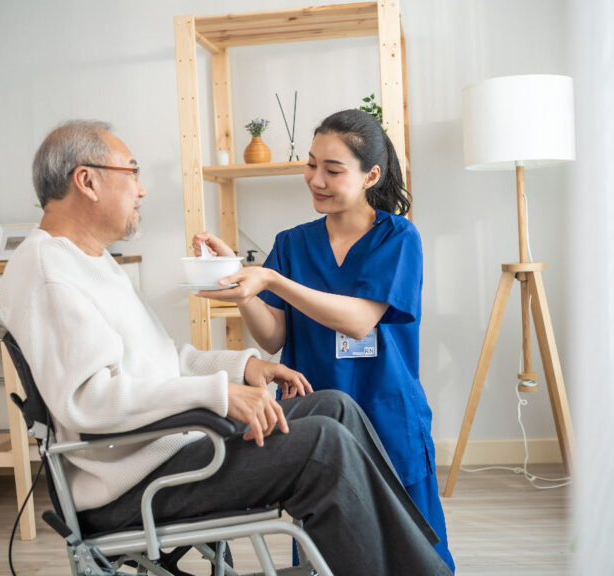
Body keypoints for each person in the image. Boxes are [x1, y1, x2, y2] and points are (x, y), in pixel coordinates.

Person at [0, 119, 452, 576]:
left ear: (369, 176)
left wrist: (246, 368)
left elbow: (167, 360)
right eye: (132, 172)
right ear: (88, 181)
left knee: (335, 408)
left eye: (331, 170)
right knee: (323, 446)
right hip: (134, 478)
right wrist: (219, 394)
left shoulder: (93, 263)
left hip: (167, 448)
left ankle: (416, 568)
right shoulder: (49, 269)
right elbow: (88, 400)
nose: (142, 190)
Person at [194, 109, 455, 571]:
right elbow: (272, 337)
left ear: (371, 175)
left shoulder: (397, 238)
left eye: (333, 170)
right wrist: (239, 286)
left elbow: (359, 322)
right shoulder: (294, 243)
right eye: (312, 164)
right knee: (326, 553)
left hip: (386, 413)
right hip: (316, 419)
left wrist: (273, 279)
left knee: (410, 552)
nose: (316, 179)